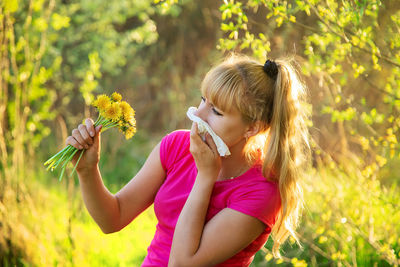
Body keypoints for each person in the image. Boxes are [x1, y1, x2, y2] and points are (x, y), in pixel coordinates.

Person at [65, 54, 310, 266]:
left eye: (216, 112)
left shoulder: (261, 192)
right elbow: (113, 218)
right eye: (203, 100)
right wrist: (88, 171)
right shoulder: (176, 146)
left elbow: (182, 263)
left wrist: (205, 177)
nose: (198, 115)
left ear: (252, 128)